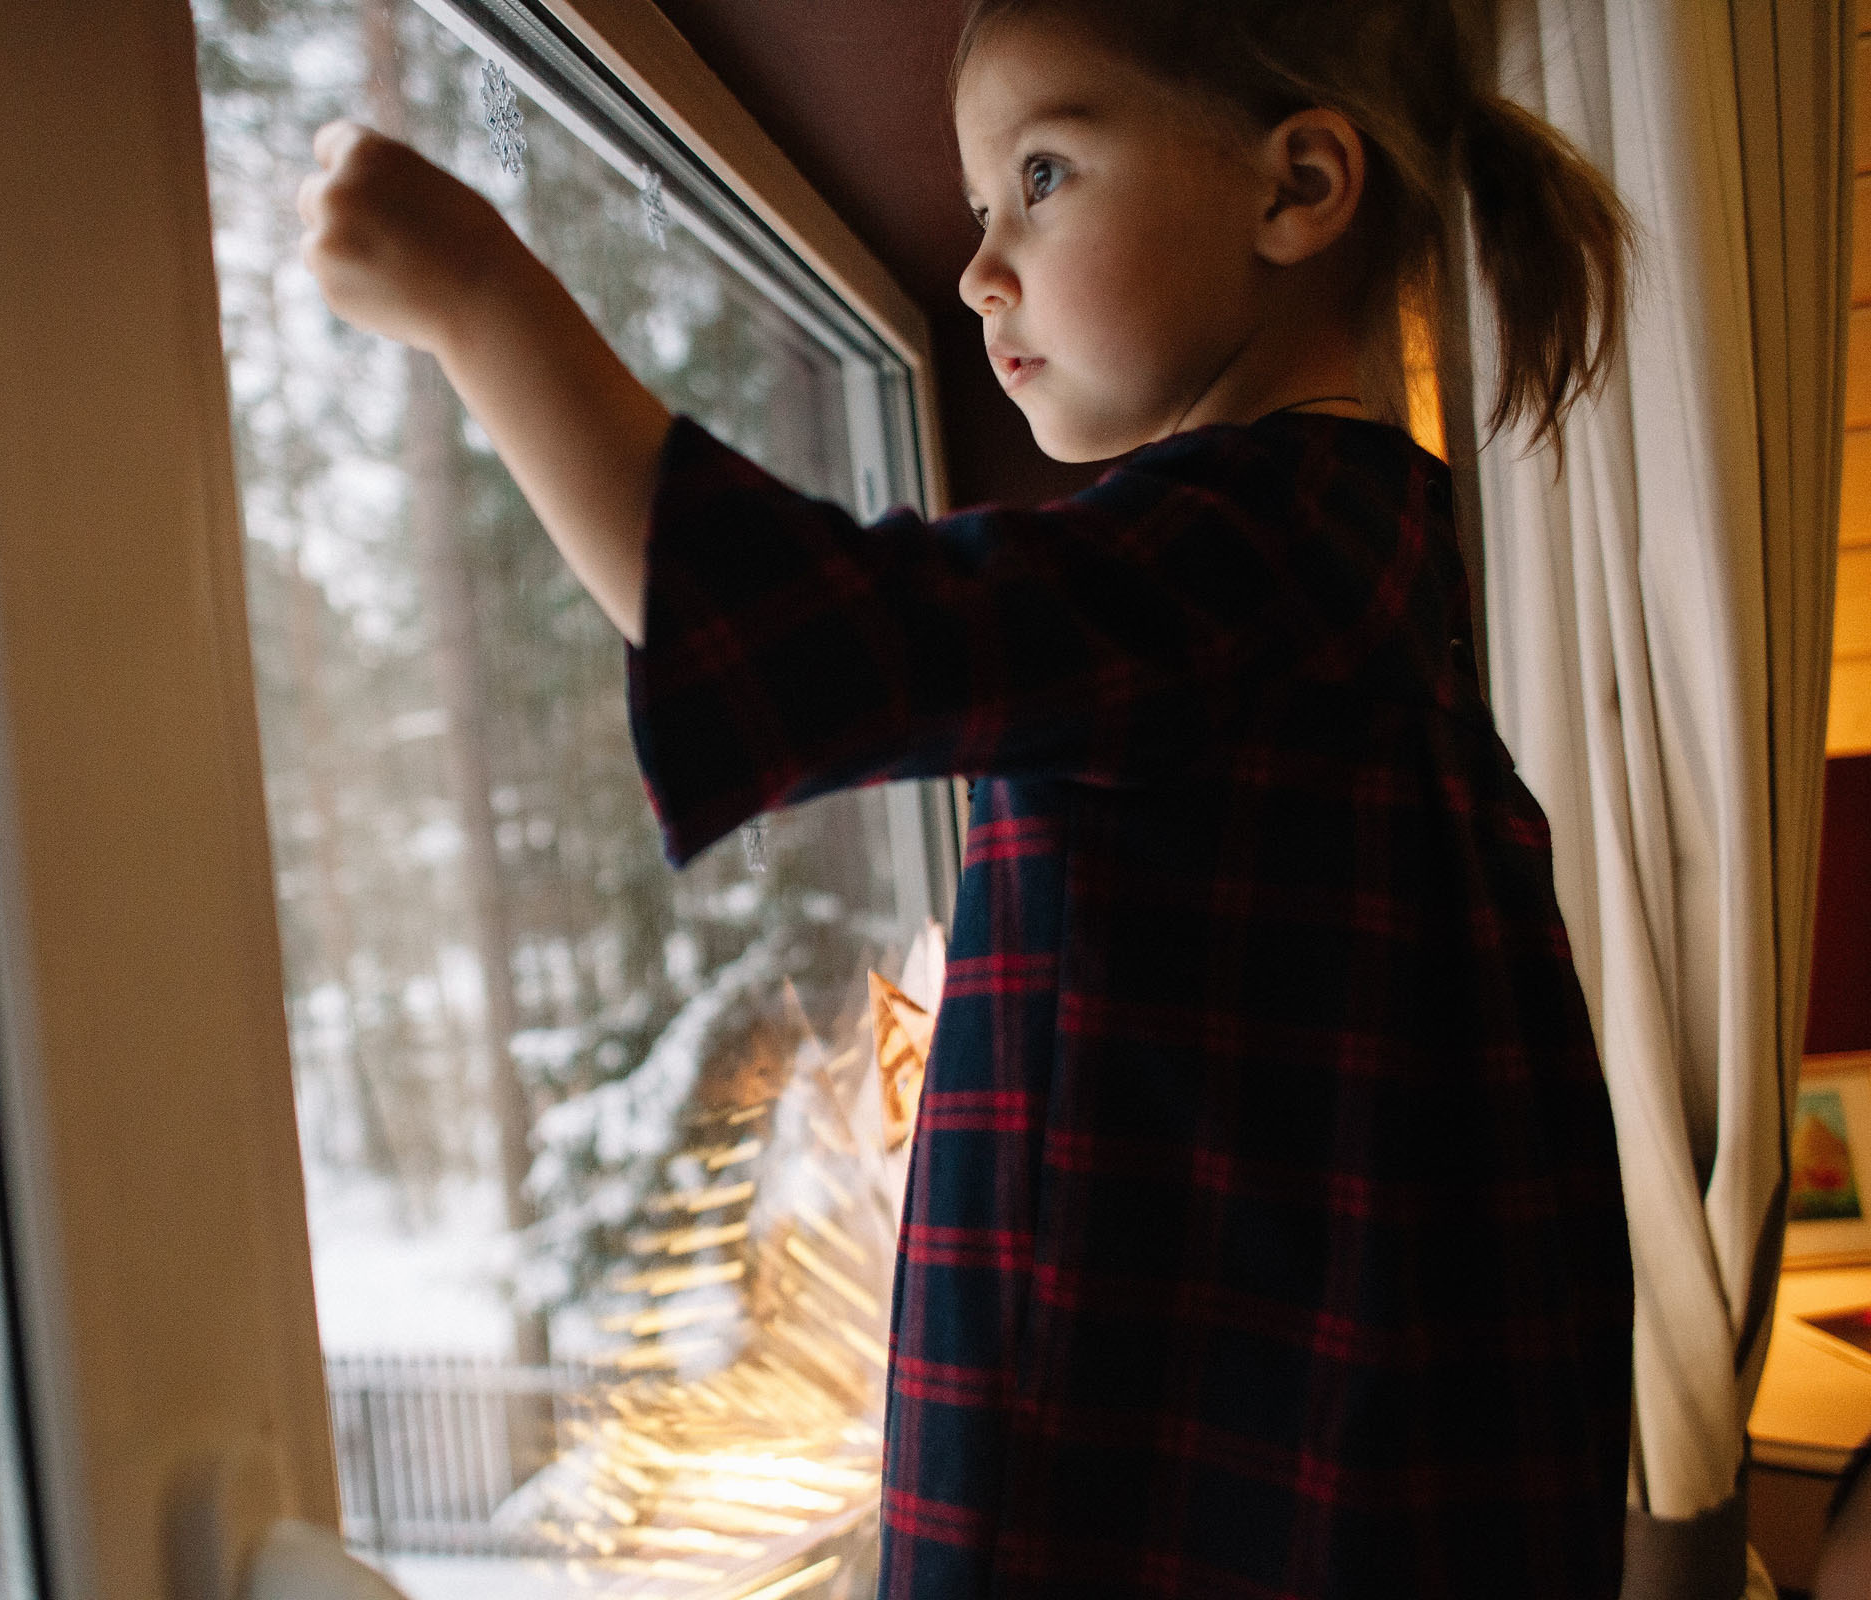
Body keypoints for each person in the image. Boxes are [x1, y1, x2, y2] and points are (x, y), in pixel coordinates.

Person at [295, 0, 1636, 1593]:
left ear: (1297, 189)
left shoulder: (1252, 553)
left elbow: (809, 635)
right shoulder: (1342, 572)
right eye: (984, 203)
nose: (979, 267)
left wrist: (477, 296)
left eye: (1044, 175)